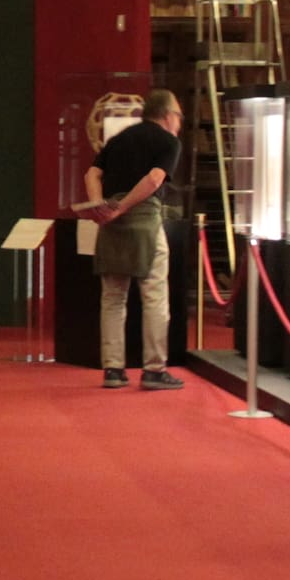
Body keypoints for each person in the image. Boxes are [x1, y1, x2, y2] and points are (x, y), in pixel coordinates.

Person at [84, 87, 185, 390]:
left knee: (113, 298)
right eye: (179, 115)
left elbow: (91, 175)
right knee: (154, 296)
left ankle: (113, 370)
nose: (179, 121)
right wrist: (124, 206)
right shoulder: (168, 142)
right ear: (168, 115)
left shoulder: (118, 140)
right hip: (144, 220)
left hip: (111, 223)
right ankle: (154, 369)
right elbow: (155, 179)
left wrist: (101, 207)